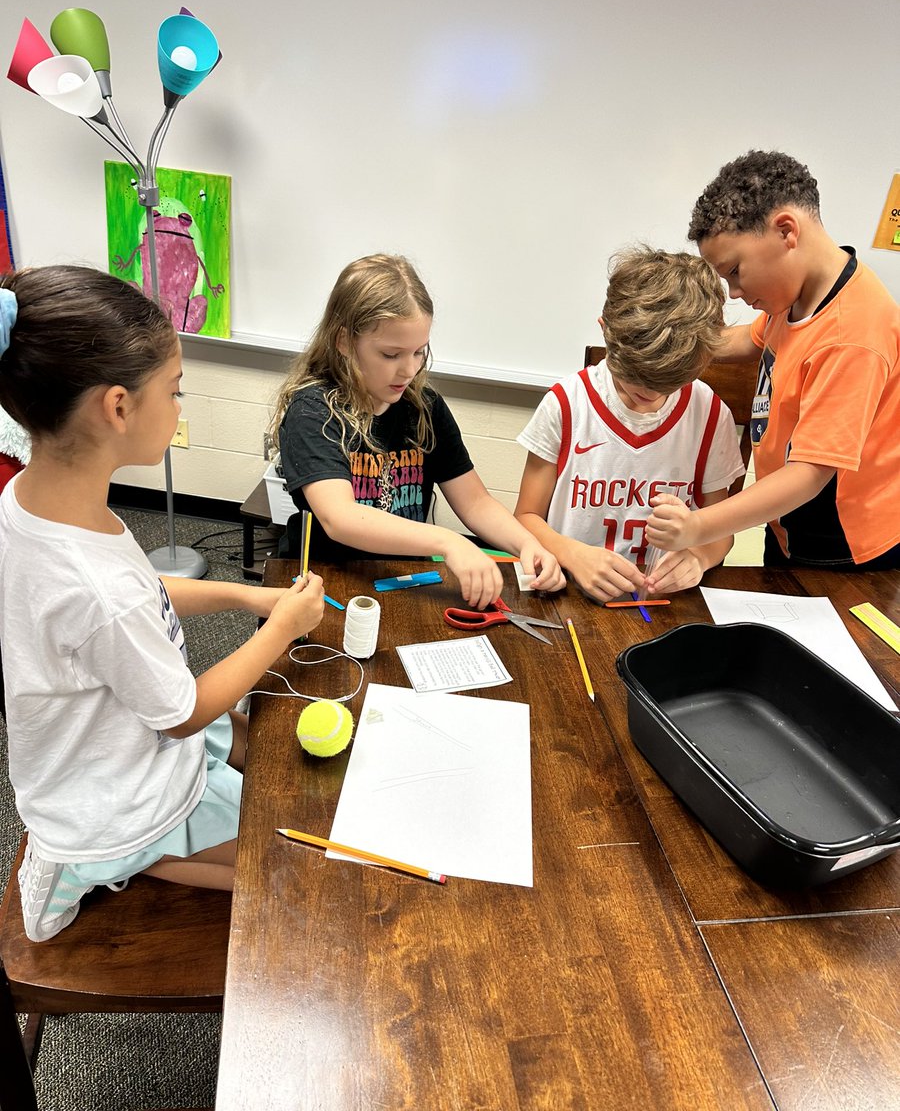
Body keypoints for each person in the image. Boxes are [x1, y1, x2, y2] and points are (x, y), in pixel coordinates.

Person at [0, 266, 324, 941]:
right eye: (175, 392)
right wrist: (280, 628)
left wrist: (244, 592)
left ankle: (124, 846)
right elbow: (180, 714)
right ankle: (105, 859)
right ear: (118, 408)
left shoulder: (34, 503)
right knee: (296, 867)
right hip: (114, 798)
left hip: (96, 748)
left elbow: (140, 596)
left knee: (256, 747)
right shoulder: (95, 586)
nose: (182, 409)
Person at [647, 150, 900, 570]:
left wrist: (696, 527)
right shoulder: (797, 296)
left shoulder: (851, 335)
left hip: (843, 546)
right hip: (786, 523)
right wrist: (669, 345)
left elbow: (809, 474)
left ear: (786, 231)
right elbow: (748, 338)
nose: (732, 293)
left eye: (734, 272)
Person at [271, 254, 564, 609]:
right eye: (391, 354)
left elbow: (474, 501)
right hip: (330, 583)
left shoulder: (423, 407)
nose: (408, 370)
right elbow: (341, 519)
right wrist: (449, 542)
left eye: (418, 352)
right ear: (345, 341)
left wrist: (526, 544)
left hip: (406, 580)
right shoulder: (313, 412)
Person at [515, 246, 744, 600]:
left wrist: (698, 557)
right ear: (606, 331)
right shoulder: (567, 404)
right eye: (636, 380)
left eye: (668, 384)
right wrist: (573, 555)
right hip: (570, 593)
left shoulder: (709, 415)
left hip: (663, 602)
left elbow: (721, 530)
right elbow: (526, 517)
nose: (650, 396)